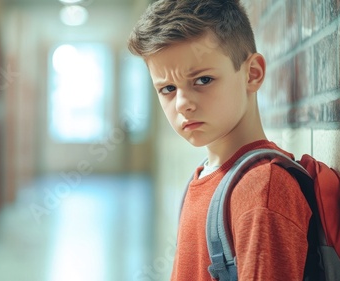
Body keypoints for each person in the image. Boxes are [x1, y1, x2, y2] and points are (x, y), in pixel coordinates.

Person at [127, 0, 312, 280]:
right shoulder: (204, 175)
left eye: (203, 80)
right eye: (167, 88)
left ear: (252, 74)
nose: (182, 104)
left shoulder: (262, 190)